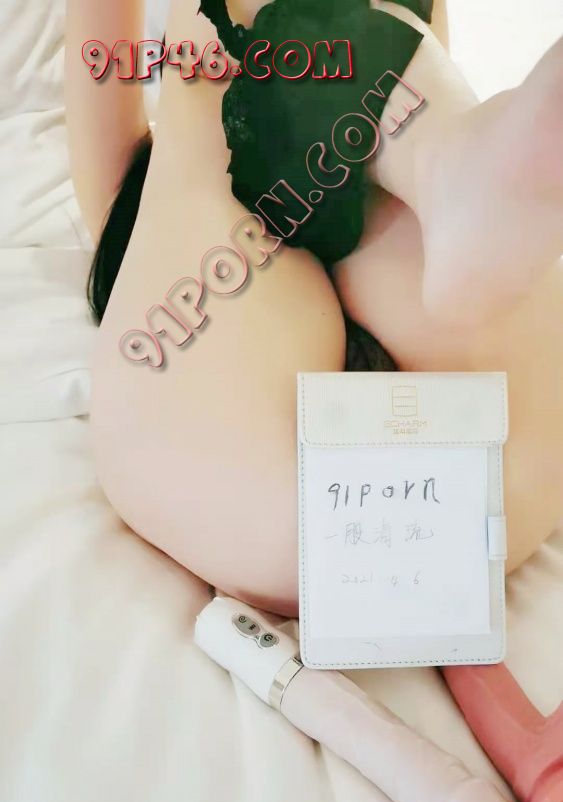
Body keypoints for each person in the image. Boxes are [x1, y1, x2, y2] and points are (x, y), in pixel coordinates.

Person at [65, 0, 563, 621]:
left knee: (286, 515)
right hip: (374, 188)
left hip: (294, 220)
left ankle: (446, 162)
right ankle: (447, 161)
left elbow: (104, 126)